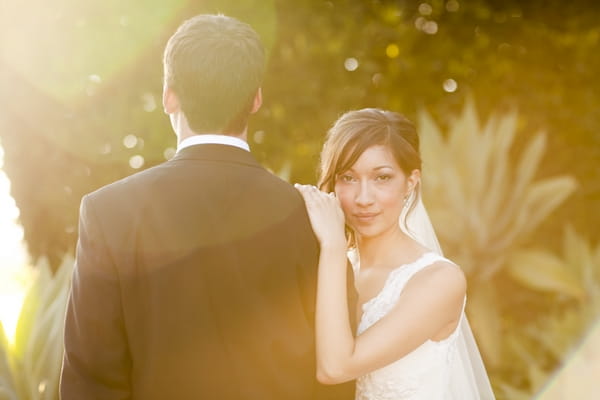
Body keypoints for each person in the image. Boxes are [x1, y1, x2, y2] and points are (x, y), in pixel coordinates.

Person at [60, 14, 354, 400]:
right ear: (256, 99)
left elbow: (92, 376)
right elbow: (338, 371)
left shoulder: (108, 211)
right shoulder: (315, 219)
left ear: (169, 97)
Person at [295, 108, 495, 399]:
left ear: (411, 182)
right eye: (348, 178)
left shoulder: (439, 280)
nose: (364, 199)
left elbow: (335, 368)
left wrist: (334, 245)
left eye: (382, 178)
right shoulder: (336, 267)